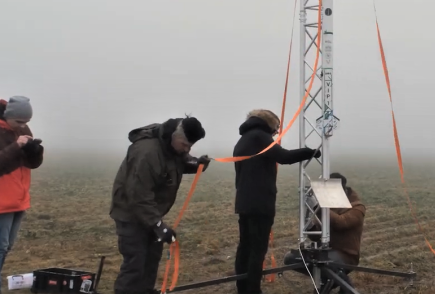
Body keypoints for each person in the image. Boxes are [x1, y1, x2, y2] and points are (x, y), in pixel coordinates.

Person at [109, 116, 210, 294]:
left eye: (190, 147)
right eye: (185, 145)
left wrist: (196, 164)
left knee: (151, 261)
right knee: (135, 265)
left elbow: (177, 162)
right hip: (131, 214)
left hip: (151, 213)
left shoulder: (171, 147)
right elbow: (138, 195)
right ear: (174, 135)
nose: (187, 149)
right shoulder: (147, 152)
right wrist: (158, 226)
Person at [233, 109, 320, 294]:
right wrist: (310, 152)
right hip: (260, 203)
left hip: (244, 202)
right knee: (257, 250)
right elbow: (284, 157)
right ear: (269, 124)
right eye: (276, 128)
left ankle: (242, 288)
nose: (276, 132)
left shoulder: (243, 139)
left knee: (245, 248)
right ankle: (253, 290)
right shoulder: (259, 137)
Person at [283, 172, 366, 292]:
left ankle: (339, 282)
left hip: (346, 255)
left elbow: (340, 223)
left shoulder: (358, 208)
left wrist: (318, 208)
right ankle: (335, 279)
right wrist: (309, 226)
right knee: (290, 259)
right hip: (325, 252)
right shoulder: (329, 205)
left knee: (324, 267)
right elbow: (317, 237)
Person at [0, 97, 44, 294]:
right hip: (1, 199)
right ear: (8, 116)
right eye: (19, 122)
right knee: (0, 247)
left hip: (19, 197)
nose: (23, 126)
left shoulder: (24, 131)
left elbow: (31, 164)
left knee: (7, 246)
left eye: (26, 122)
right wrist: (16, 146)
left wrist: (35, 152)